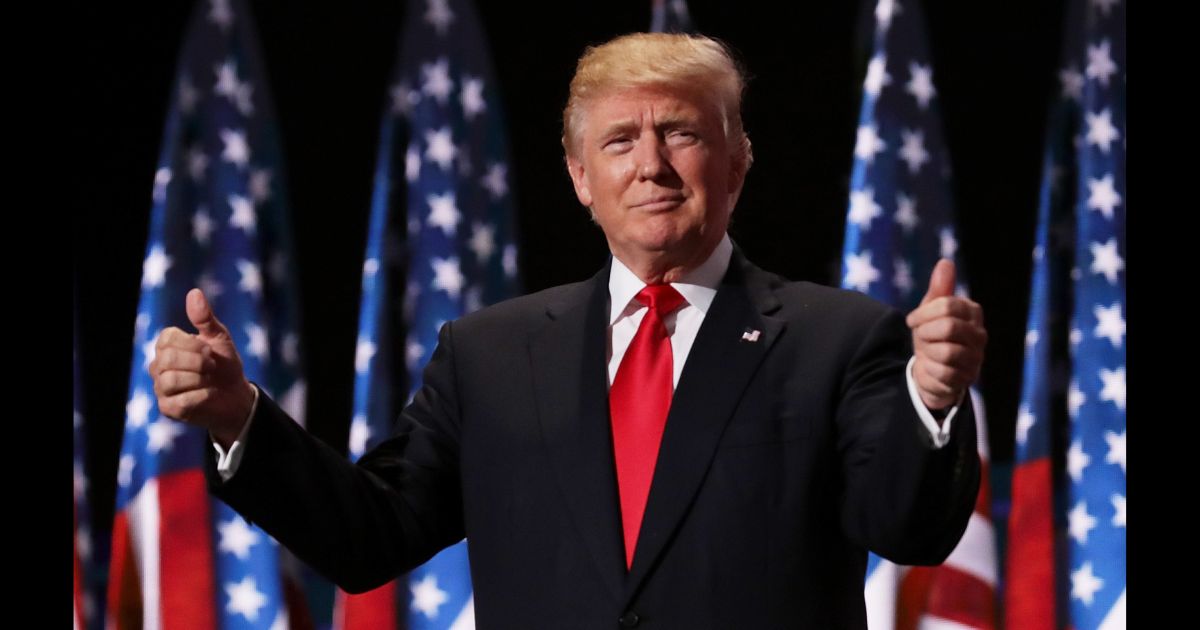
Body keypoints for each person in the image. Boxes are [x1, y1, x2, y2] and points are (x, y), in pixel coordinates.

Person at [150, 32, 986, 629]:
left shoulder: (837, 337)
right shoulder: (489, 354)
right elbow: (372, 536)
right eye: (621, 141)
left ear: (736, 163)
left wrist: (935, 402)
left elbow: (904, 529)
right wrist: (238, 420)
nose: (651, 164)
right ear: (582, 179)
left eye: (682, 133)